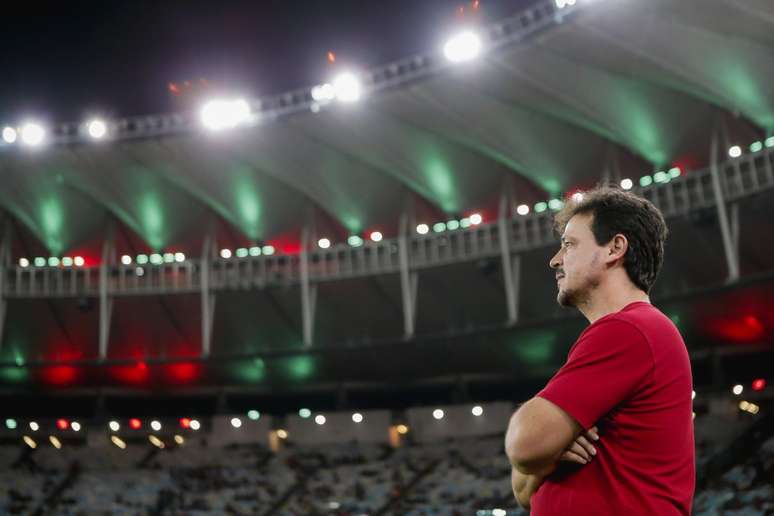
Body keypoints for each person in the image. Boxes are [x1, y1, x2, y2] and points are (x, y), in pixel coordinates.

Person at [504, 187, 695, 514]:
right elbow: (522, 489)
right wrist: (548, 450)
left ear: (614, 248)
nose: (555, 260)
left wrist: (545, 447)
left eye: (569, 244)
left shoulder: (629, 330)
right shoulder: (627, 332)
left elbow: (524, 445)